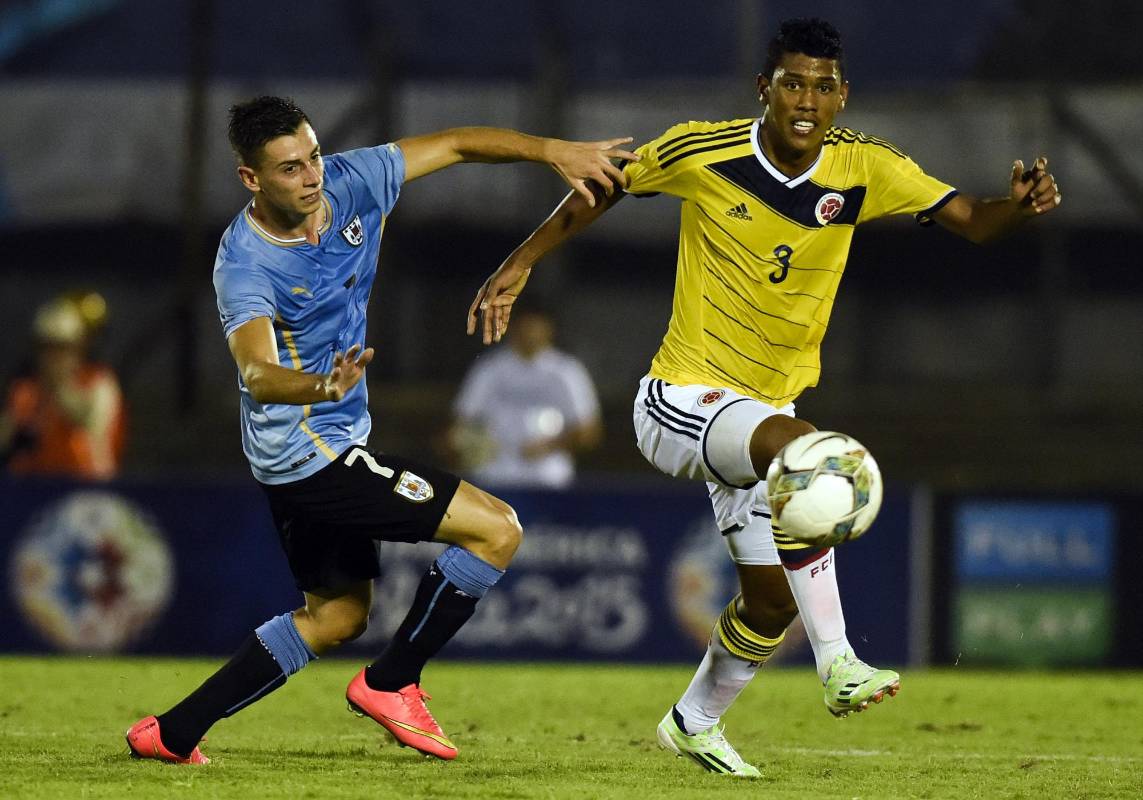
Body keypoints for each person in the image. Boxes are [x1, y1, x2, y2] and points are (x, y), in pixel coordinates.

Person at [468, 18, 1061, 777]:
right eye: (792, 83)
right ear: (764, 89)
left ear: (841, 95)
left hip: (759, 418)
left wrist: (1016, 206)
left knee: (772, 605)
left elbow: (973, 221)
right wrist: (521, 262)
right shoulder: (701, 150)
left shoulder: (865, 166)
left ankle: (693, 722)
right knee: (804, 450)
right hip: (679, 400)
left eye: (821, 86)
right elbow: (603, 189)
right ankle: (838, 660)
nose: (806, 99)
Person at [125, 95, 637, 765]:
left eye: (313, 157)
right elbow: (255, 374)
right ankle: (391, 682)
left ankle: (172, 732)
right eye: (289, 168)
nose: (312, 176)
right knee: (497, 529)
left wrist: (552, 151)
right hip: (311, 453)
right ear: (250, 178)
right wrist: (322, 386)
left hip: (312, 448)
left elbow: (457, 143)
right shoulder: (245, 261)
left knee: (337, 617)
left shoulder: (352, 178)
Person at [446, 302, 602, 489]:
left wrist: (550, 445)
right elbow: (460, 423)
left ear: (549, 329)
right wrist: (464, 445)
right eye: (524, 326)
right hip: (494, 479)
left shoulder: (566, 371)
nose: (530, 333)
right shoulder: (489, 368)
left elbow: (589, 433)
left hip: (549, 480)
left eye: (535, 326)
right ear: (511, 327)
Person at [1, 294, 124, 481]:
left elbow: (89, 420)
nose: (53, 357)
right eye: (46, 348)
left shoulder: (98, 381)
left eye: (62, 348)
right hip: (36, 485)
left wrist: (58, 387)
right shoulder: (26, 389)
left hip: (87, 484)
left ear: (78, 349)